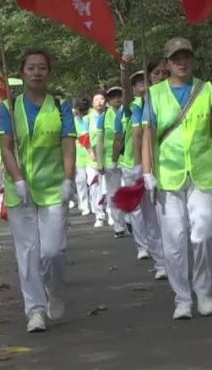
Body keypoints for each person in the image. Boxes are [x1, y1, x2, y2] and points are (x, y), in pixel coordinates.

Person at [141, 37, 212, 320]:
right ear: (167, 63)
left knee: (202, 233)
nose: (181, 62)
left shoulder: (206, 90)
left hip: (203, 171)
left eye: (186, 57)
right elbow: (148, 135)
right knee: (175, 239)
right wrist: (147, 172)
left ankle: (203, 290)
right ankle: (182, 297)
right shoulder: (154, 94)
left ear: (192, 60)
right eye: (175, 58)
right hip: (168, 174)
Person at [0, 48, 77, 333]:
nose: (36, 72)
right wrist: (17, 178)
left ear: (49, 72)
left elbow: (68, 145)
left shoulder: (60, 106)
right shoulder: (8, 107)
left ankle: (54, 291)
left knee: (53, 250)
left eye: (42, 67)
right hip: (21, 189)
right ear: (22, 73)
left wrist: (69, 179)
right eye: (30, 68)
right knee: (28, 252)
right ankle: (35, 309)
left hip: (53, 187)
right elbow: (5, 147)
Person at [115, 67, 165, 273]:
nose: (143, 84)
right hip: (134, 165)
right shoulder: (132, 107)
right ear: (134, 88)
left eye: (146, 80)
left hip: (164, 164)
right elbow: (136, 136)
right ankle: (151, 253)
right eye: (138, 82)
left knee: (164, 215)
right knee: (144, 213)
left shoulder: (162, 101)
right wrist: (138, 166)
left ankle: (168, 256)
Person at [102, 86, 126, 236]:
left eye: (119, 95)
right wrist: (99, 162)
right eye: (113, 96)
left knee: (129, 191)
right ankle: (119, 225)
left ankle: (130, 219)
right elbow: (98, 139)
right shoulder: (104, 117)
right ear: (108, 101)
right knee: (114, 193)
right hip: (110, 159)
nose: (117, 99)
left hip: (128, 157)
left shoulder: (129, 111)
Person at [88, 92, 108, 227]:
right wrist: (91, 152)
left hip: (108, 158)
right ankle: (99, 215)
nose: (99, 101)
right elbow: (83, 136)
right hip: (92, 159)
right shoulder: (87, 118)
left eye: (102, 98)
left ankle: (111, 213)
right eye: (96, 99)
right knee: (95, 187)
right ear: (92, 103)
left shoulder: (110, 115)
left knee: (107, 188)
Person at [72, 98, 94, 216]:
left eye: (84, 109)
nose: (82, 111)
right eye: (80, 109)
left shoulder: (91, 115)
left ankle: (95, 204)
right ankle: (84, 204)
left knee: (92, 180)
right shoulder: (73, 120)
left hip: (91, 152)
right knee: (80, 181)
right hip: (79, 154)